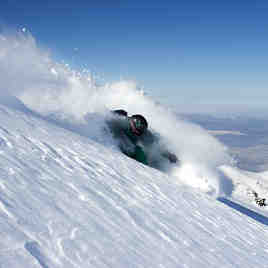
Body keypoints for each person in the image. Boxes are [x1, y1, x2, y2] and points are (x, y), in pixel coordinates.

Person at [106, 109, 178, 170]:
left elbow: (155, 145)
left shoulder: (144, 133)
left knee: (139, 153)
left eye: (142, 128)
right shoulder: (122, 120)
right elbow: (108, 116)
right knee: (130, 148)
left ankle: (146, 171)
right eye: (138, 126)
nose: (139, 130)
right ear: (133, 122)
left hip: (130, 144)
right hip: (117, 136)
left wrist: (169, 155)